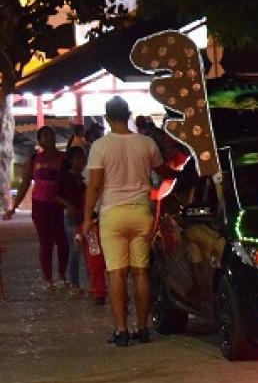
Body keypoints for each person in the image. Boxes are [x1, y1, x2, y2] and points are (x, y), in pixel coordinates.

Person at [82, 97, 178, 346]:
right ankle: (143, 328)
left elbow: (94, 186)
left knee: (116, 273)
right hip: (141, 212)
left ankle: (122, 330)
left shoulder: (100, 147)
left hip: (112, 213)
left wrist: (87, 218)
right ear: (129, 114)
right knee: (140, 272)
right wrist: (182, 172)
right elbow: (164, 173)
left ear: (106, 118)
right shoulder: (146, 143)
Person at [5, 125, 68, 290]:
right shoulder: (34, 160)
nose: (50, 138)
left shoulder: (64, 158)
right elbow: (24, 184)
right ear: (39, 140)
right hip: (41, 206)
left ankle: (62, 274)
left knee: (62, 241)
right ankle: (47, 278)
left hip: (59, 205)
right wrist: (14, 207)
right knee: (46, 242)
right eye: (45, 136)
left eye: (51, 134)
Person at [56, 146, 89, 296]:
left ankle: (90, 283)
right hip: (71, 217)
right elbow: (56, 196)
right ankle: (75, 284)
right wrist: (69, 206)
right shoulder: (65, 178)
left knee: (86, 251)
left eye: (83, 158)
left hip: (82, 217)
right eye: (79, 159)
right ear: (71, 160)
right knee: (75, 250)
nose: (82, 161)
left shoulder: (82, 179)